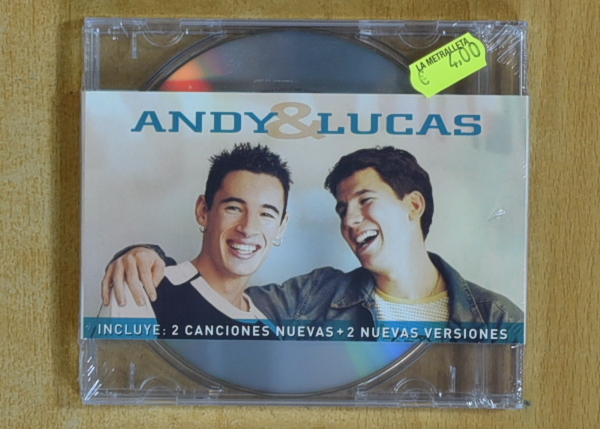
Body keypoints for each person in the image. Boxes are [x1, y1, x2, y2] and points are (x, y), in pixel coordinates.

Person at [102, 147, 523, 338]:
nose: (349, 220)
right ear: (203, 210)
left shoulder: (497, 317)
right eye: (342, 209)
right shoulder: (315, 296)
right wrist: (143, 257)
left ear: (413, 205)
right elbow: (220, 296)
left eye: (365, 201)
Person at [99, 143, 290, 338]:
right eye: (234, 208)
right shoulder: (143, 288)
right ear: (203, 211)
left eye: (266, 214)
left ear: (281, 228)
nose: (248, 228)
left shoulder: (270, 336)